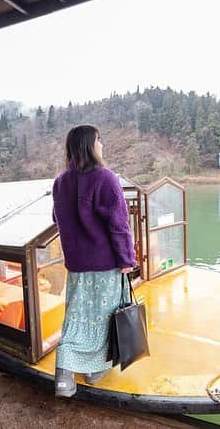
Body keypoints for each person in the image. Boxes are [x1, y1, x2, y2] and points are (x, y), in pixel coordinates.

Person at [52, 125, 137, 397]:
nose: (102, 145)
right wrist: (127, 259)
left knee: (76, 316)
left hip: (77, 265)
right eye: (99, 140)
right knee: (104, 317)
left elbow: (57, 218)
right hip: (105, 265)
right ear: (90, 145)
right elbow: (119, 225)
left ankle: (65, 376)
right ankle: (91, 370)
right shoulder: (106, 178)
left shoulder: (60, 181)